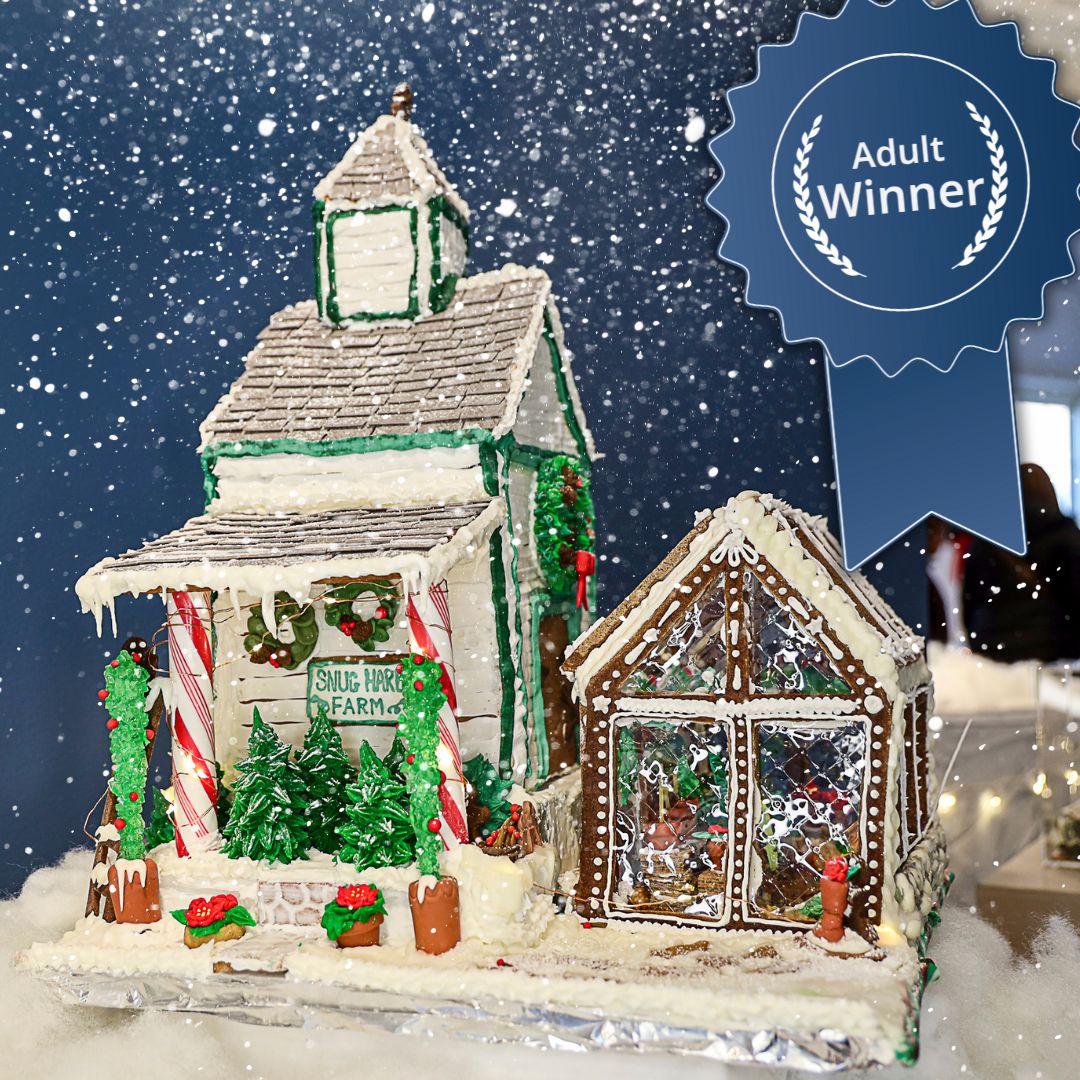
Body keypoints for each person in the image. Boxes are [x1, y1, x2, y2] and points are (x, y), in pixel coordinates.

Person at [962, 463, 1080, 663]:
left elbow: (969, 602)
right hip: (1053, 656)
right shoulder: (1067, 538)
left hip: (994, 656)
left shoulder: (987, 542)